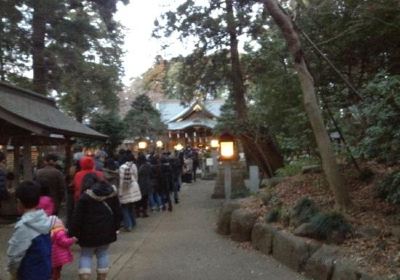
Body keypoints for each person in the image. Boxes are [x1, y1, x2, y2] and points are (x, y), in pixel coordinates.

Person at [70, 177, 121, 280]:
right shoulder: (111, 195)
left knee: (86, 255)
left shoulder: (84, 198)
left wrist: (73, 232)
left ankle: (85, 276)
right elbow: (118, 213)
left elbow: (77, 217)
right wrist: (116, 227)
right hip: (107, 231)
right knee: (103, 253)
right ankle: (102, 277)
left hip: (87, 233)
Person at [7, 181, 54, 280]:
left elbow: (15, 255)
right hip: (45, 271)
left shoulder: (24, 227)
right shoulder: (44, 219)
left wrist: (13, 273)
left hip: (28, 274)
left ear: (19, 202)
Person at [118, 153, 140, 231]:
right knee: (131, 207)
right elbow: (136, 176)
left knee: (125, 208)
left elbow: (121, 182)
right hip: (134, 187)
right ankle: (133, 222)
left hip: (126, 189)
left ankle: (128, 225)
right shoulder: (133, 165)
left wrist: (120, 193)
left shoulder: (122, 168)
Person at [137, 153, 152, 217]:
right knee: (145, 199)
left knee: (140, 199)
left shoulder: (140, 166)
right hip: (147, 183)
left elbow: (138, 174)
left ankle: (140, 211)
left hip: (141, 184)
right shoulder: (148, 165)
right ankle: (144, 212)